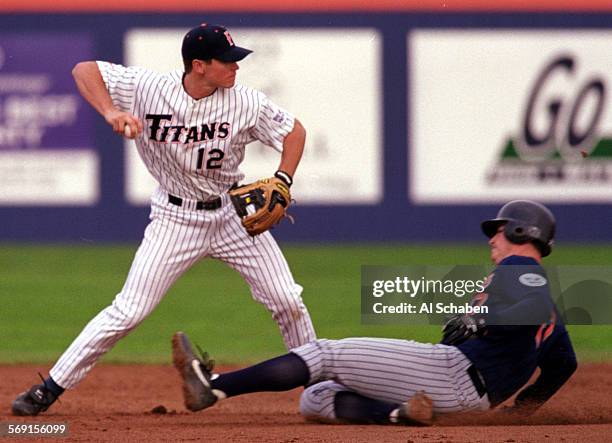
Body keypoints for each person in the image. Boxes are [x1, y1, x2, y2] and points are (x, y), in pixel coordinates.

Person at [12, 23, 316, 416]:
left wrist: (282, 178)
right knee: (129, 310)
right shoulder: (149, 87)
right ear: (198, 65)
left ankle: (320, 387)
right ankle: (49, 388)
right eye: (226, 61)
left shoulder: (247, 102)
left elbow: (294, 132)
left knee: (287, 300)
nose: (235, 66)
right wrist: (111, 110)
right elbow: (83, 70)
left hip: (231, 217)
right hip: (174, 218)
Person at [171, 200, 577, 425]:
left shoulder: (518, 270)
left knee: (323, 355)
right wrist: (519, 414)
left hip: (453, 375)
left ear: (524, 233)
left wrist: (480, 320)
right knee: (315, 399)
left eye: (500, 230)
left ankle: (215, 386)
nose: (493, 239)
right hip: (469, 398)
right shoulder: (549, 310)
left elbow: (527, 310)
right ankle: (401, 415)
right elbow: (565, 364)